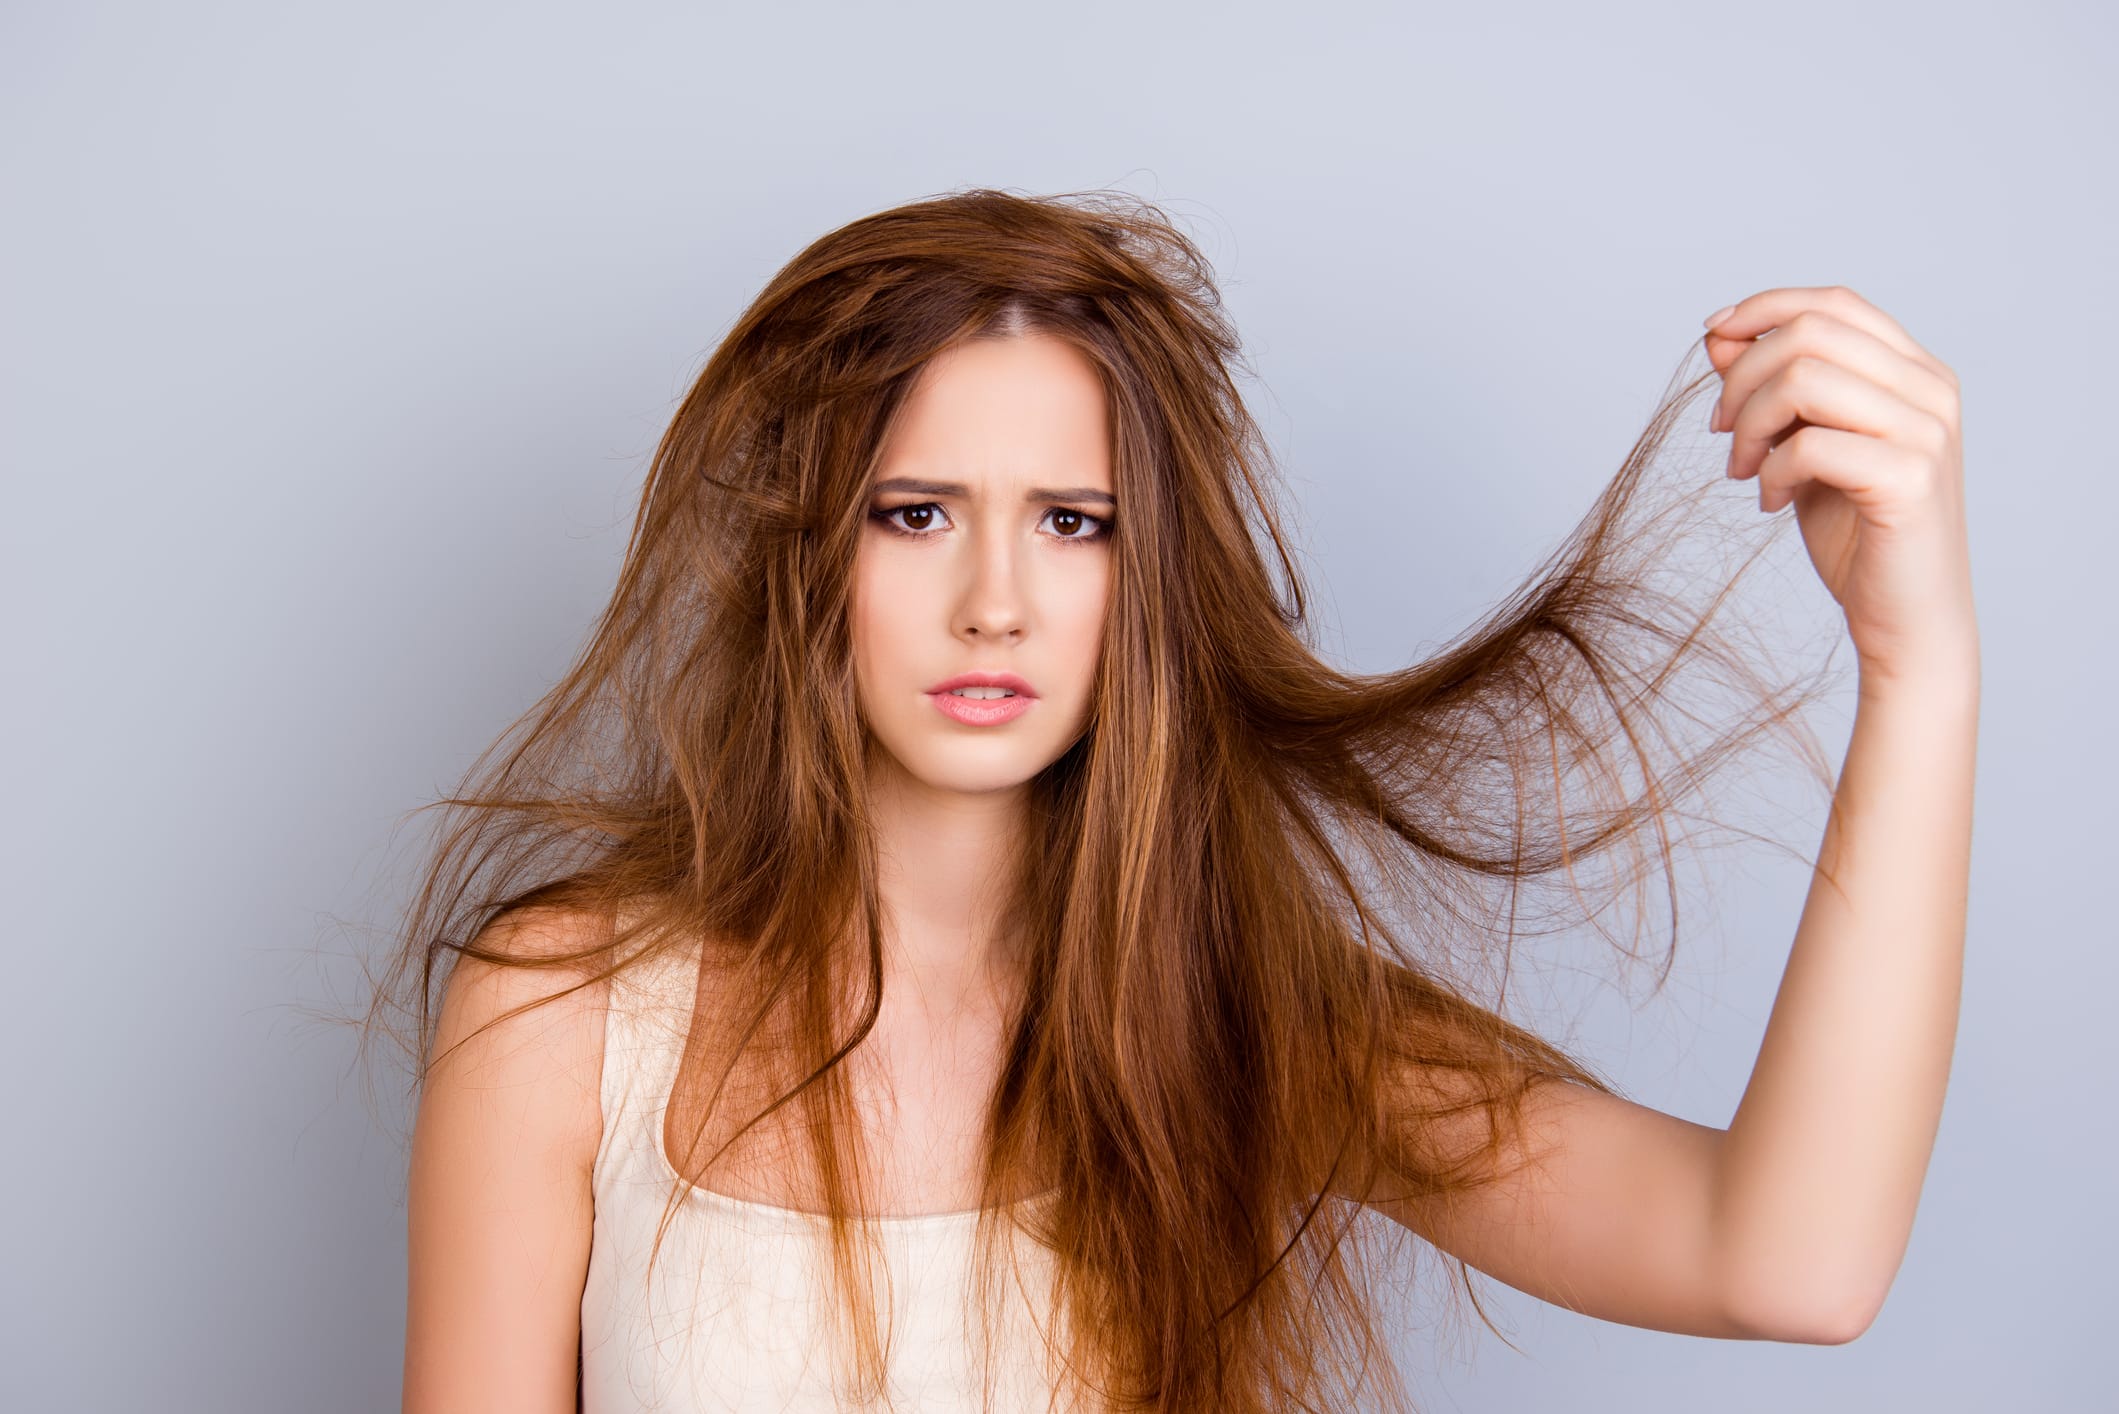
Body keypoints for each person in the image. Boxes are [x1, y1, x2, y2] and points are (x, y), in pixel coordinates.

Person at [379, 187, 1978, 1412]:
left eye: (1074, 521)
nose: (995, 599)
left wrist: (1920, 667)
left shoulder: (1246, 1020)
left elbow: (1783, 1259)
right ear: (807, 544)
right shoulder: (562, 1018)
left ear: (1148, 578)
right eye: (917, 511)